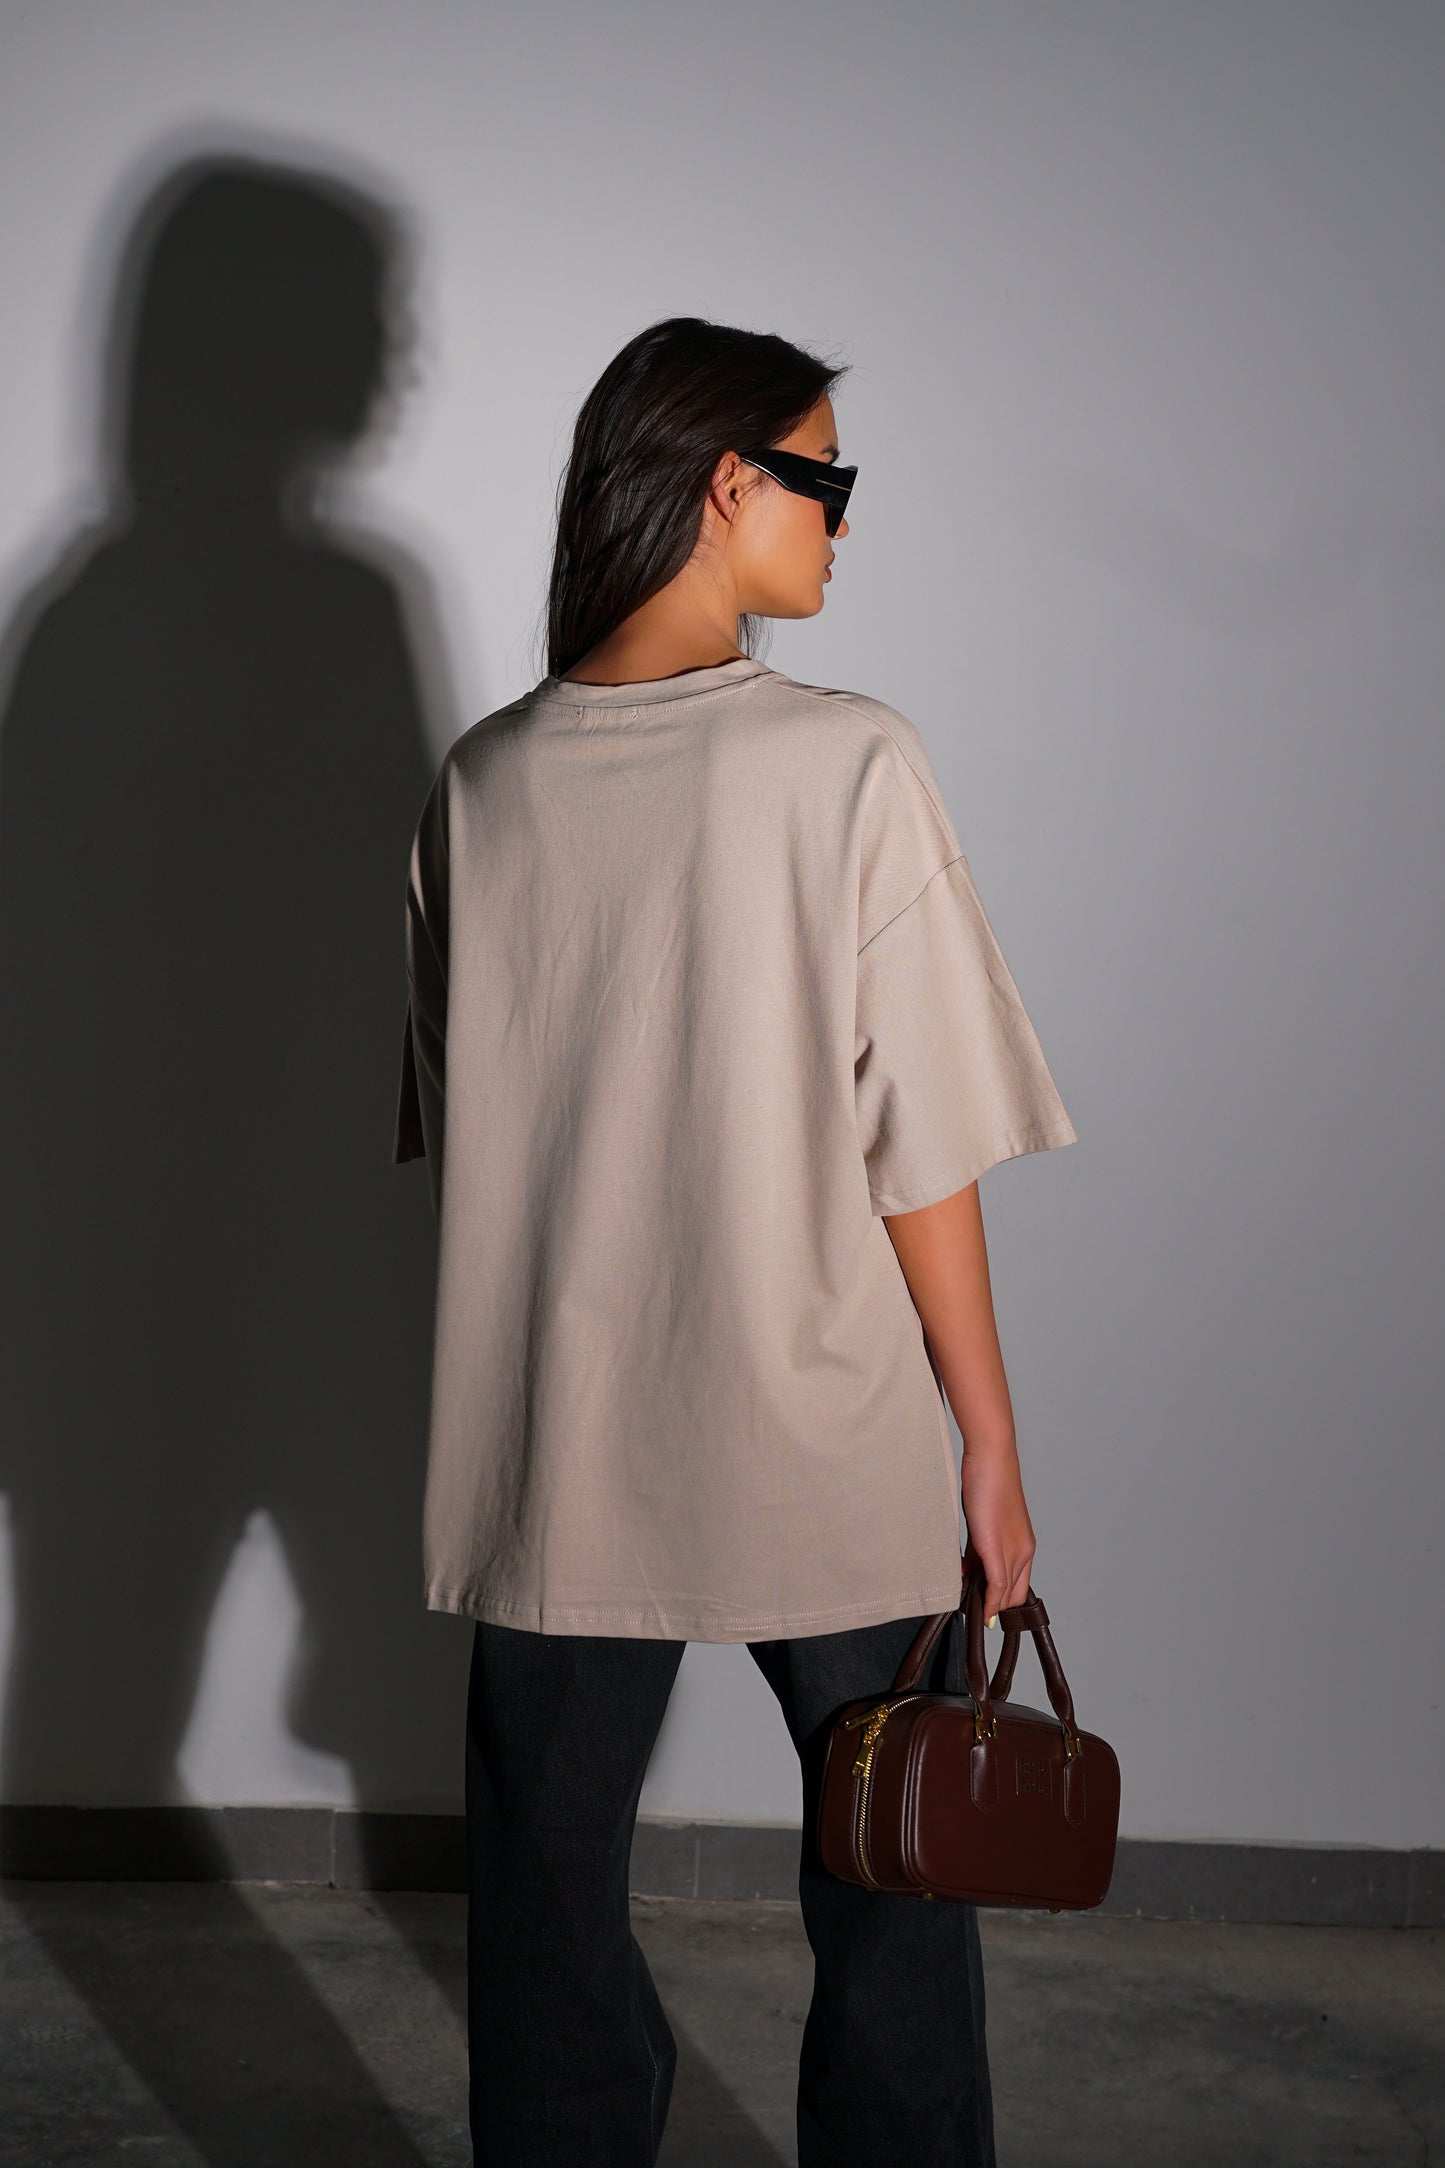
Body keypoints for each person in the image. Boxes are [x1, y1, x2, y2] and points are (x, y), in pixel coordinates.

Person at [392, 315, 1078, 2167]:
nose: (842, 521)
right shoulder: (847, 765)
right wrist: (988, 1440)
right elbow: (921, 1146)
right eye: (824, 479)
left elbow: (478, 1135)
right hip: (822, 1429)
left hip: (560, 1440)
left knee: (543, 1910)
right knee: (895, 1889)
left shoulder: (482, 780)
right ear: (724, 485)